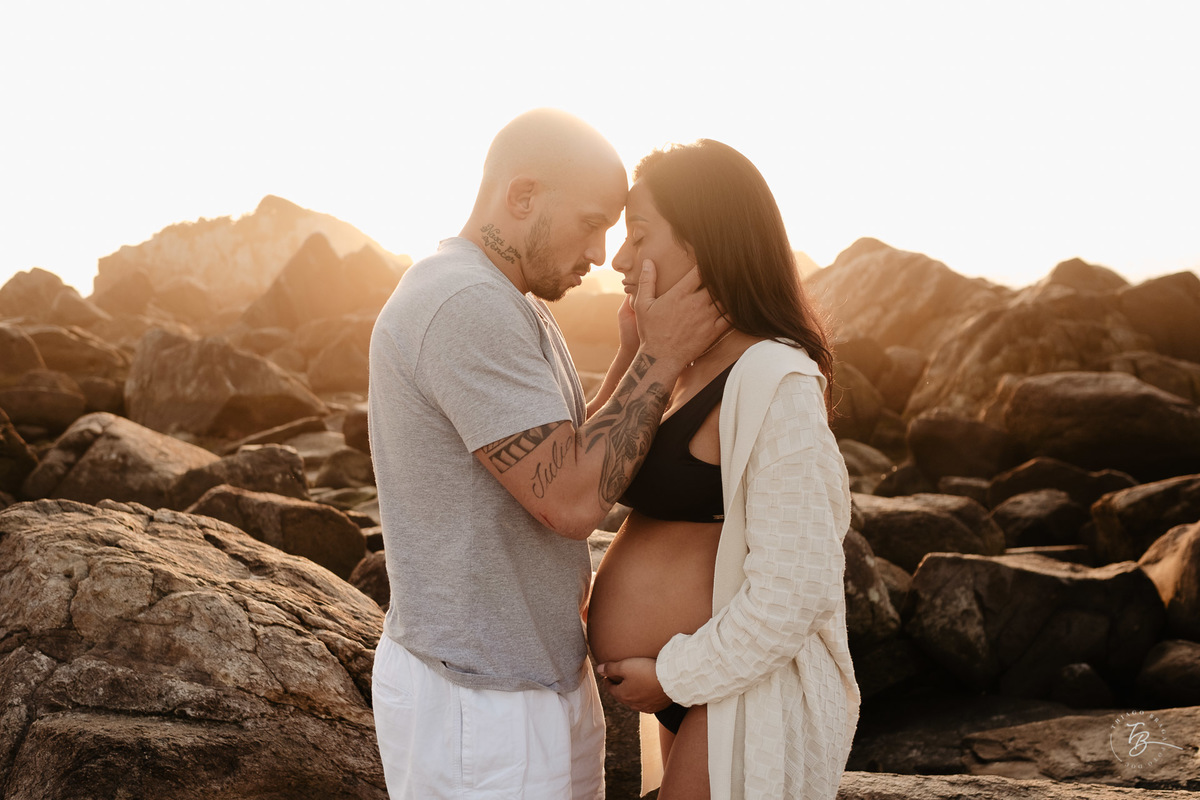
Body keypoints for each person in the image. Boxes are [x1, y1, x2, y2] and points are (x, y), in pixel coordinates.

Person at [367, 109, 727, 799]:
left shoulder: (505, 298)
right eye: (590, 222)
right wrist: (664, 354)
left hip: (522, 679)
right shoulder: (464, 301)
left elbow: (562, 457)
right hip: (481, 700)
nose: (600, 252)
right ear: (522, 195)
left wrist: (629, 352)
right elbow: (569, 500)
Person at [588, 139, 860, 800]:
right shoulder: (679, 366)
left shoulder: (776, 380)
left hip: (731, 691)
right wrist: (635, 353)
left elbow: (795, 590)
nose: (619, 258)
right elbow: (585, 473)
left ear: (704, 244)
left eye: (639, 235)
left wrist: (674, 678)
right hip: (694, 689)